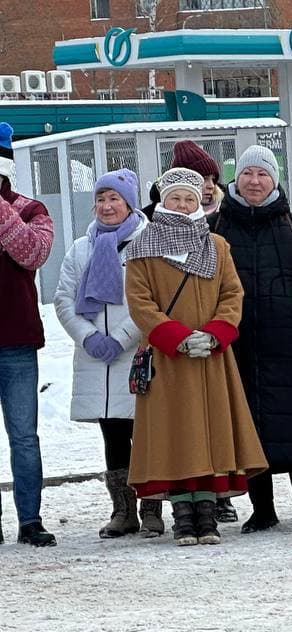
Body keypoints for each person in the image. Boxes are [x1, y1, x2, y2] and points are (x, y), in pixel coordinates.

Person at [124, 168, 267, 546]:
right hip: (168, 358)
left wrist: (216, 333)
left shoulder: (216, 246)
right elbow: (140, 303)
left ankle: (206, 513)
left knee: (208, 434)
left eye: (190, 198)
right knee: (174, 436)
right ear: (163, 201)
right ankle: (182, 517)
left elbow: (232, 294)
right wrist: (177, 338)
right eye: (176, 198)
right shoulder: (142, 247)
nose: (184, 204)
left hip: (210, 357)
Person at [211, 145, 292, 535]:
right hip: (236, 345)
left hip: (288, 346)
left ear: (275, 180)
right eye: (248, 173)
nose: (254, 181)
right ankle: (262, 509)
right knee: (248, 430)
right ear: (236, 178)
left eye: (263, 174)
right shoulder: (216, 227)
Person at [53, 169, 159, 538]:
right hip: (96, 360)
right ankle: (123, 511)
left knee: (146, 435)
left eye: (114, 198)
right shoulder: (80, 249)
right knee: (113, 436)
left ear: (129, 203)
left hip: (137, 354)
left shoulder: (148, 243)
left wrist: (122, 337)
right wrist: (89, 338)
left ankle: (152, 508)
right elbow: (63, 300)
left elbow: (154, 299)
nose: (106, 205)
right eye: (100, 199)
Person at [0, 121, 56, 546]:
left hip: (17, 340)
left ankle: (30, 520)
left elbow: (33, 253)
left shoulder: (30, 208)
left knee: (23, 436)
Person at [141, 139, 224, 220]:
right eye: (204, 179)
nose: (211, 186)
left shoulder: (226, 210)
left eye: (213, 179)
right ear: (182, 182)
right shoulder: (148, 220)